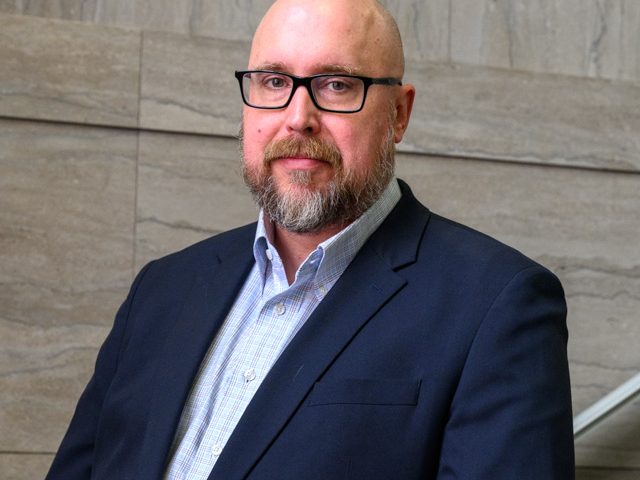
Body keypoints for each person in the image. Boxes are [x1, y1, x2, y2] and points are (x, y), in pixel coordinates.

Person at [46, 0, 575, 479]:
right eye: (274, 82)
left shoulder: (497, 304)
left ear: (398, 114)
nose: (298, 119)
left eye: (336, 84)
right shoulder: (162, 289)